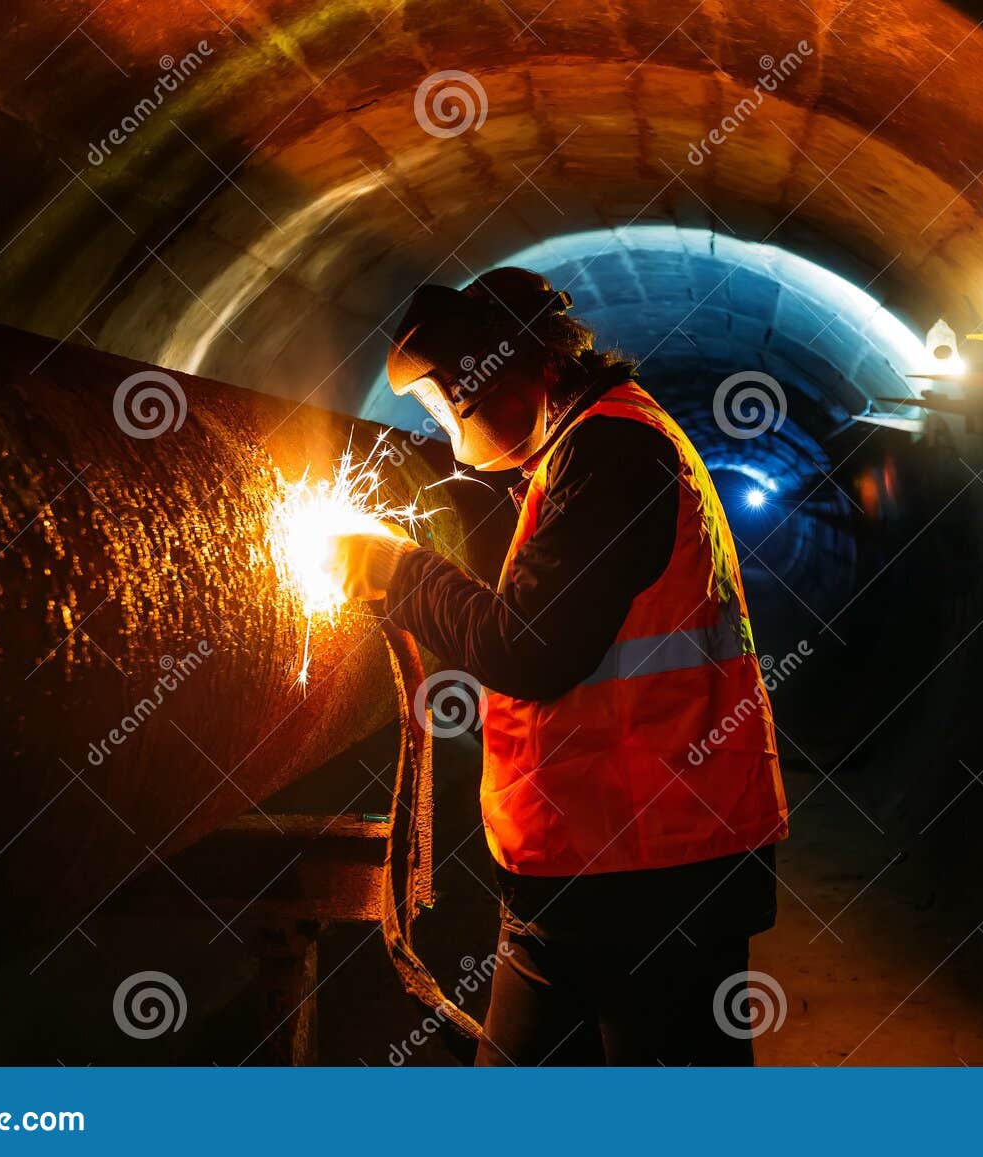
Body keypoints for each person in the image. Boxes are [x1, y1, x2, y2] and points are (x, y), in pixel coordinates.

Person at [333, 267, 789, 1065]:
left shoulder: (613, 452)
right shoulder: (589, 446)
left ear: (537, 368)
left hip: (650, 869)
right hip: (600, 862)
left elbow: (531, 646)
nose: (451, 422)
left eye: (456, 400)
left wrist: (398, 572)